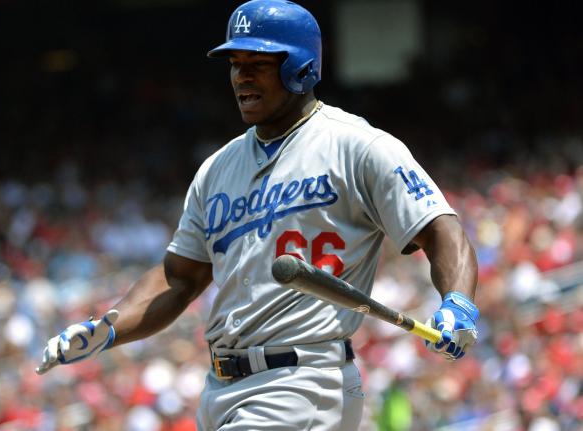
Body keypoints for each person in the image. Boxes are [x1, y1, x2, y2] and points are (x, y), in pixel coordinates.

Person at [36, 1, 480, 429]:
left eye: (257, 63)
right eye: (235, 64)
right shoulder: (217, 169)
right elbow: (180, 277)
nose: (240, 77)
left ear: (300, 67)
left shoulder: (357, 146)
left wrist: (457, 302)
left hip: (301, 381)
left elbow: (441, 230)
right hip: (220, 391)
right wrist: (109, 327)